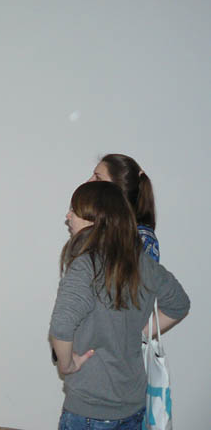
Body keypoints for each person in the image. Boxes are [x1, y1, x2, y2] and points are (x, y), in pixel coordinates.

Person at [49, 181, 189, 430]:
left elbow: (61, 327)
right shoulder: (142, 263)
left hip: (89, 410)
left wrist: (67, 364)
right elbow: (179, 304)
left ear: (94, 219)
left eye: (74, 210)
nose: (68, 216)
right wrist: (138, 333)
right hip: (134, 407)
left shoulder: (85, 266)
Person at [88, 154, 159, 261]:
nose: (89, 182)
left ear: (118, 186)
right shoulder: (100, 229)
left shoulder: (142, 238)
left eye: (98, 177)